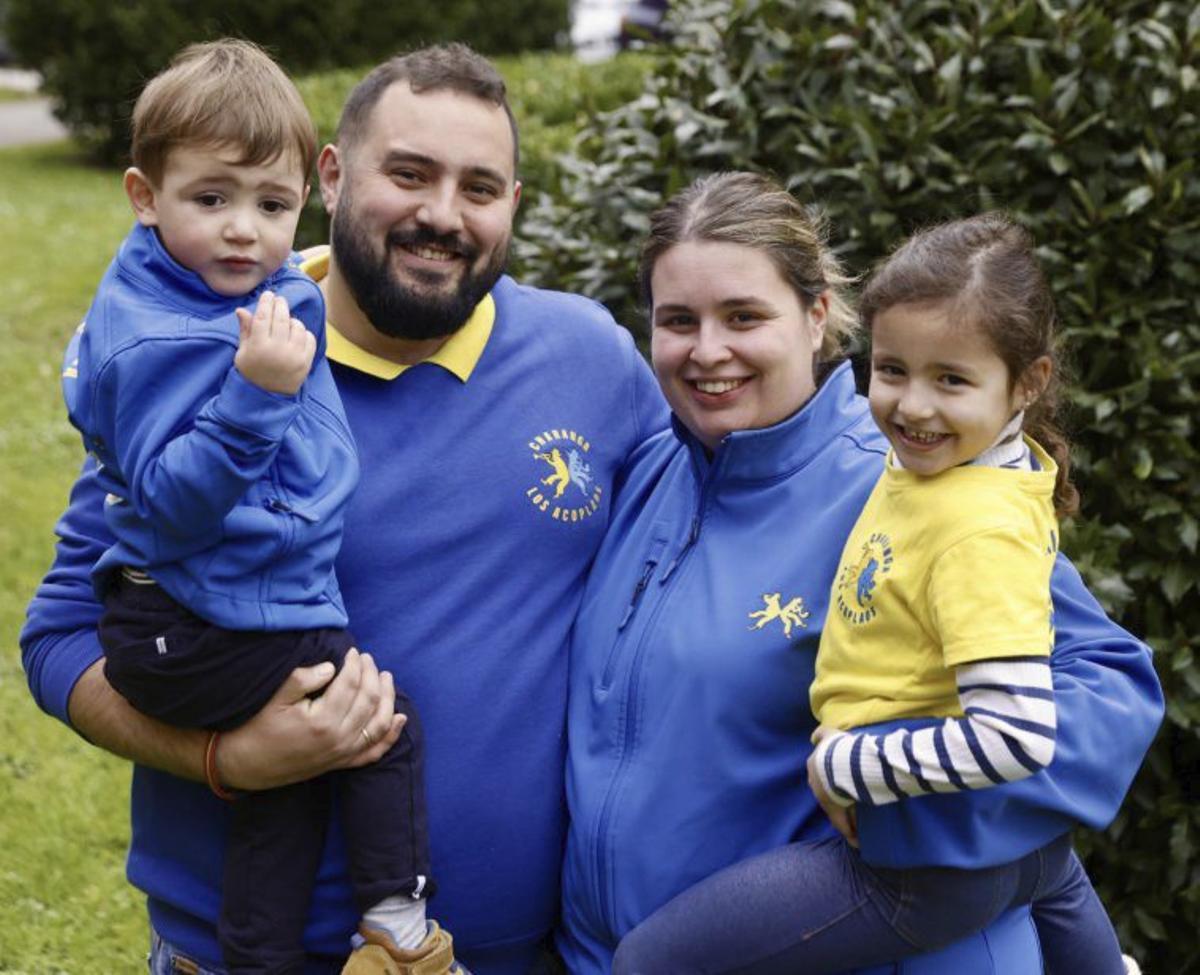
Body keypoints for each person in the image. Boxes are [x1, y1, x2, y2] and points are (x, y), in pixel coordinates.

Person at [21, 43, 667, 975]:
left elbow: (723, 514)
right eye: (407, 174)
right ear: (330, 175)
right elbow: (60, 639)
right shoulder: (213, 356)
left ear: (514, 207)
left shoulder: (591, 363)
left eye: (479, 187)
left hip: (507, 956)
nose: (441, 214)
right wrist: (222, 757)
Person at [560, 173, 1163, 974]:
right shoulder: (648, 475)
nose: (707, 350)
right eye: (678, 321)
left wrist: (916, 820)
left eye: (743, 316)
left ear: (816, 317)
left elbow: (1108, 689)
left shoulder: (907, 483)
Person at [62, 38, 460, 975]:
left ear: (308, 199)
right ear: (143, 196)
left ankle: (259, 959)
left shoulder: (227, 289)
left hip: (205, 621)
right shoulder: (162, 343)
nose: (245, 230)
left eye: (271, 206)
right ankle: (400, 923)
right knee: (380, 722)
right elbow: (163, 507)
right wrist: (256, 398)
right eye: (212, 200)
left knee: (287, 791)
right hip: (187, 628)